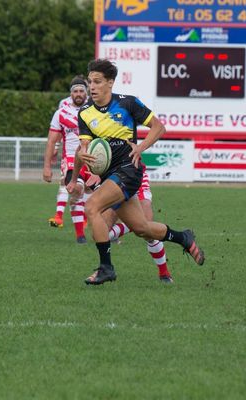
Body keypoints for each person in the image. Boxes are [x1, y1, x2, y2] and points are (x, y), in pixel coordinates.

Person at [67, 58, 205, 285]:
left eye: (97, 81)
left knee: (91, 207)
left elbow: (159, 127)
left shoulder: (128, 103)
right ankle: (183, 237)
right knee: (142, 228)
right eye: (90, 81)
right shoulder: (84, 113)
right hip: (110, 176)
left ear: (110, 83)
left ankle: (106, 268)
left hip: (129, 170)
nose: (92, 86)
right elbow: (83, 149)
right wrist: (80, 166)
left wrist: (140, 147)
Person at [105, 164, 173, 283]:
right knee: (103, 232)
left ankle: (164, 273)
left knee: (148, 231)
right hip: (111, 178)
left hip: (134, 174)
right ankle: (103, 269)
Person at [43, 76, 90, 244]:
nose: (78, 94)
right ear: (71, 94)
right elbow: (51, 141)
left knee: (94, 197)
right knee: (76, 189)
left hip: (93, 158)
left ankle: (111, 232)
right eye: (75, 91)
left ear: (86, 92)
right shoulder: (61, 113)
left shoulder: (96, 109)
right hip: (71, 158)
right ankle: (80, 235)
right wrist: (47, 167)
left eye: (81, 91)